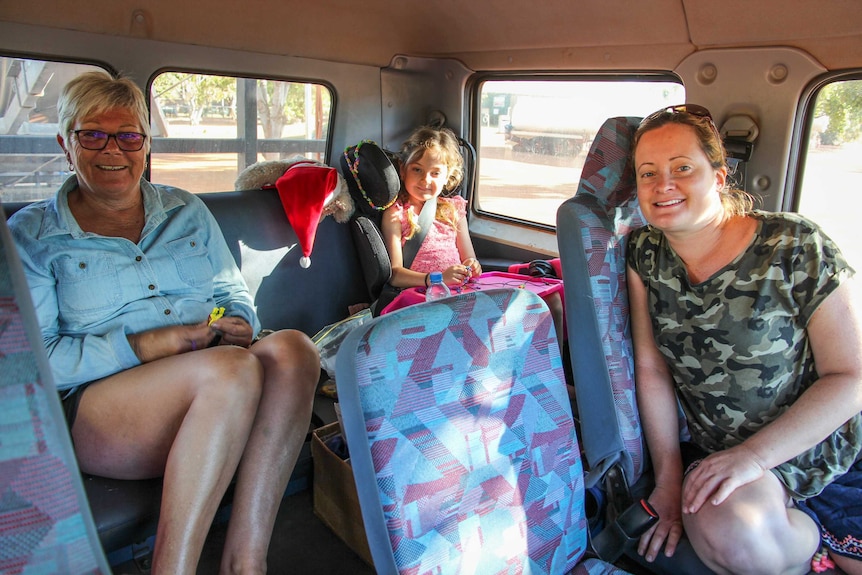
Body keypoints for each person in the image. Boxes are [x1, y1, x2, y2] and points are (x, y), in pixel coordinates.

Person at [8, 71, 319, 575]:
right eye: (93, 134)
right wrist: (149, 344)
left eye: (130, 135)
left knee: (293, 350)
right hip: (103, 410)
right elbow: (40, 363)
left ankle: (246, 562)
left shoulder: (185, 210)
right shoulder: (33, 234)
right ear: (67, 144)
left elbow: (231, 293)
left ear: (146, 144)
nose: (114, 150)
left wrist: (239, 319)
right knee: (230, 371)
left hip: (214, 379)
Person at [626, 104, 862, 575]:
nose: (662, 185)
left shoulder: (794, 244)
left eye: (682, 169)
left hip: (821, 443)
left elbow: (852, 376)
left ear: (718, 174)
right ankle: (814, 544)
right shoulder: (644, 254)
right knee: (732, 537)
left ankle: (822, 534)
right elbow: (652, 369)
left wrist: (756, 456)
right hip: (724, 455)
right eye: (647, 172)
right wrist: (669, 480)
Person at [380, 125, 565, 346]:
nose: (426, 180)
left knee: (549, 300)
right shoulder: (396, 214)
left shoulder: (453, 210)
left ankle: (551, 371)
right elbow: (396, 274)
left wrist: (472, 265)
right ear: (403, 169)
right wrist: (436, 279)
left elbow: (470, 258)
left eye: (435, 173)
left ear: (447, 175)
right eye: (417, 170)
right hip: (423, 295)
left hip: (461, 291)